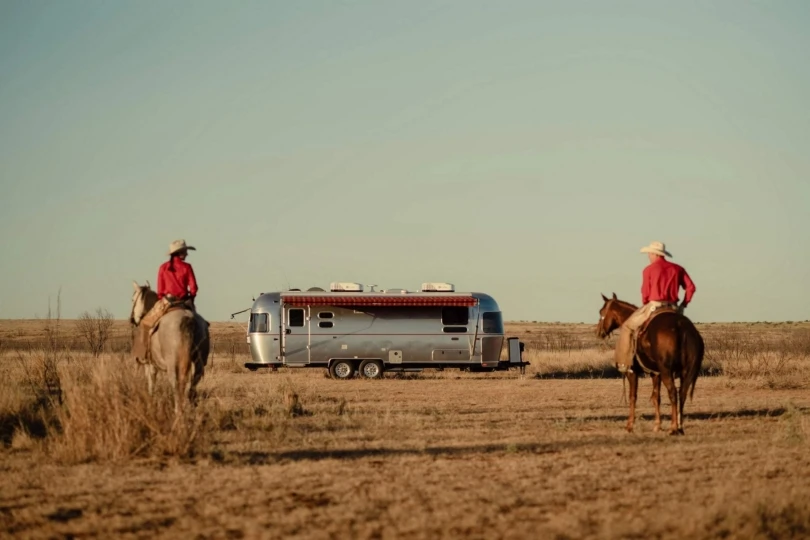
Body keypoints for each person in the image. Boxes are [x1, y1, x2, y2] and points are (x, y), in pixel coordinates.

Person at [614, 241, 696, 373]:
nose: (648, 256)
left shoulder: (648, 270)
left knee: (627, 326)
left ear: (654, 254)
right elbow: (691, 288)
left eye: (649, 254)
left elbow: (645, 292)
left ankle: (624, 363)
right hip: (674, 307)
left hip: (654, 305)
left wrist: (645, 303)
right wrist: (684, 304)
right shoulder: (678, 269)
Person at [135, 240, 199, 362]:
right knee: (201, 325)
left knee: (145, 324)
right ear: (179, 253)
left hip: (167, 300)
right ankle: (200, 357)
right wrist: (191, 298)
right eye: (185, 251)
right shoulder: (187, 267)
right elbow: (194, 287)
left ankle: (141, 355)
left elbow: (160, 290)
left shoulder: (163, 268)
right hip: (184, 301)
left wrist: (162, 299)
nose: (187, 254)